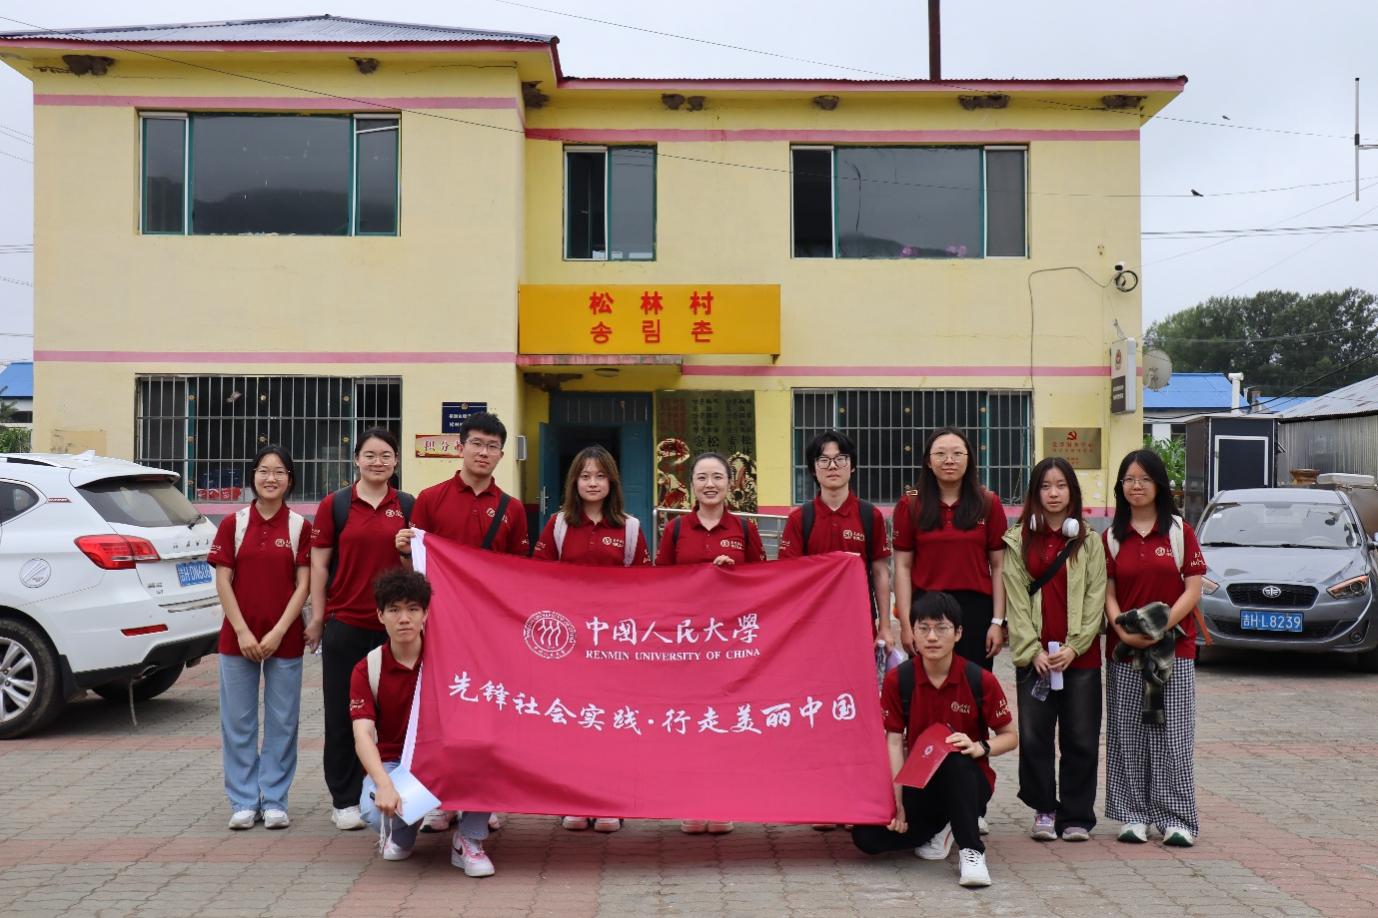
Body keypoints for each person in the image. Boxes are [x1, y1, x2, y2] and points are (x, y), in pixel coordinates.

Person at [393, 411, 528, 867]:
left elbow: (519, 574)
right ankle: (438, 800)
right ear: (460, 447)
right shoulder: (430, 500)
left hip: (490, 637)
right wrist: (404, 548)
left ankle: (478, 810)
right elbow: (416, 567)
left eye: (492, 446)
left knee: (487, 721)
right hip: (439, 632)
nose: (483, 452)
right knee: (438, 717)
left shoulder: (511, 509)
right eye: (476, 443)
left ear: (501, 455)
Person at [852, 592, 1017, 888]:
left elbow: (1011, 736)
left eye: (941, 628)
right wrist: (897, 803)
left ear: (958, 633)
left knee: (953, 754)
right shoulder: (899, 680)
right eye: (923, 628)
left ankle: (971, 851)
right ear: (912, 633)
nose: (932, 637)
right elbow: (893, 742)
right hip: (921, 784)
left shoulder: (979, 679)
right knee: (866, 838)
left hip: (969, 781)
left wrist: (980, 747)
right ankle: (944, 824)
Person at [532, 444, 649, 833]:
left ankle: (610, 801)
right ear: (574, 482)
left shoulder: (629, 528)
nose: (593, 483)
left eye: (600, 476)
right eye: (585, 476)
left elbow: (645, 585)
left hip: (613, 645)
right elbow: (536, 578)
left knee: (612, 722)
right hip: (568, 644)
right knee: (572, 722)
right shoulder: (558, 525)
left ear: (612, 481)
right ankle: (574, 801)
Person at [655, 451, 767, 835]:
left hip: (730, 643)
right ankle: (691, 803)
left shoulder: (745, 529)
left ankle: (721, 803)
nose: (710, 484)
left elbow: (764, 583)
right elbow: (660, 585)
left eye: (717, 477)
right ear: (691, 484)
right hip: (687, 644)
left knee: (725, 723)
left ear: (729, 484)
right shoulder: (675, 530)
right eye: (701, 477)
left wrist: (735, 575)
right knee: (689, 724)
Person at [308, 427, 413, 832]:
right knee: (342, 715)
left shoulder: (407, 505)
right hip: (346, 624)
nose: (377, 462)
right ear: (356, 460)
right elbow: (319, 565)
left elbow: (416, 568)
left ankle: (395, 790)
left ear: (396, 461)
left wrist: (405, 553)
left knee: (395, 717)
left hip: (395, 630)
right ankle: (344, 800)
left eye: (386, 455)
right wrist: (318, 619)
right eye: (370, 455)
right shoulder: (335, 505)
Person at [1103, 448, 1206, 847]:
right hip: (1126, 651)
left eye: (1145, 479)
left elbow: (1193, 589)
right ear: (1121, 486)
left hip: (1174, 651)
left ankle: (1177, 818)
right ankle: (1133, 815)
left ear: (1159, 485)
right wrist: (1123, 630)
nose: (1137, 486)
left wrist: (1161, 626)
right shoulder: (1112, 537)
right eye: (1129, 479)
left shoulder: (1180, 532)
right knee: (1128, 733)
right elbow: (1108, 593)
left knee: (1173, 735)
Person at [1001, 457, 1106, 842]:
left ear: (1072, 492)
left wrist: (1075, 647)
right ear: (1035, 493)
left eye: (1061, 485)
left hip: (1081, 658)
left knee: (1081, 737)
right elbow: (1015, 598)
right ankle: (1044, 809)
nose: (1054, 493)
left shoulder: (1088, 541)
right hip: (1037, 660)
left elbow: (1096, 597)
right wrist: (1032, 650)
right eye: (1046, 486)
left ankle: (1076, 815)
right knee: (1035, 737)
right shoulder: (1017, 541)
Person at [208, 445, 311, 831]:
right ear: (253, 476)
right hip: (238, 639)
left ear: (290, 480)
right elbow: (223, 580)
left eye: (280, 472)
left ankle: (275, 800)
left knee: (283, 721)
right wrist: (242, 631)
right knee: (238, 722)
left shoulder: (300, 527)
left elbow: (304, 585)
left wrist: (280, 630)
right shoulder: (233, 524)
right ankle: (243, 801)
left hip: (285, 638)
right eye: (264, 470)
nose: (271, 478)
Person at [892, 427, 1007, 668]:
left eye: (957, 453)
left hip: (976, 611)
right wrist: (905, 624)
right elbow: (902, 567)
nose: (949, 460)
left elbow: (999, 566)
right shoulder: (910, 504)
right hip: (926, 608)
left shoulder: (988, 503)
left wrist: (997, 621)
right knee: (927, 683)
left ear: (969, 459)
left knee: (974, 682)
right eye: (940, 454)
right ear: (928, 461)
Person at [350, 570, 442, 865]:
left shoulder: (447, 659)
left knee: (487, 765)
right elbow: (363, 735)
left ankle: (469, 839)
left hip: (444, 759)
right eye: (394, 610)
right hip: (396, 762)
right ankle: (404, 833)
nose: (404, 619)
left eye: (413, 609)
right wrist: (385, 784)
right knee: (373, 811)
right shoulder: (368, 668)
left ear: (425, 614)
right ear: (380, 615)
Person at [778, 430, 893, 647]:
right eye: (824, 460)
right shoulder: (800, 519)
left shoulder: (870, 516)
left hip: (859, 621)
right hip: (811, 624)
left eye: (840, 459)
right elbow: (788, 576)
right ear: (813, 469)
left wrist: (885, 626)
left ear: (852, 466)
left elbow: (880, 573)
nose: (832, 466)